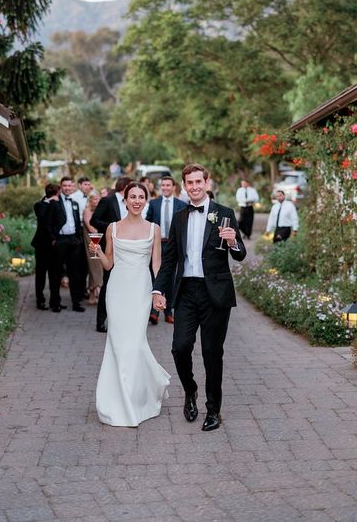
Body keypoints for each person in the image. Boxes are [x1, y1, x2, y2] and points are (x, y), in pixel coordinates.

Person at [152, 163, 246, 432]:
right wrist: (158, 289)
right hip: (187, 292)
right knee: (180, 347)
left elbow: (239, 255)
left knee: (211, 352)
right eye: (189, 183)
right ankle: (190, 390)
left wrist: (232, 242)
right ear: (184, 186)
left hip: (215, 293)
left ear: (207, 183)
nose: (193, 187)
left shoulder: (224, 213)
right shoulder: (180, 218)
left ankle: (213, 409)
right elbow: (169, 261)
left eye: (198, 182)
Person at [89, 182, 170, 427]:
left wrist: (158, 291)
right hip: (117, 291)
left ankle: (139, 395)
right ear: (124, 200)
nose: (136, 200)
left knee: (135, 344)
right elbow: (108, 264)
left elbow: (156, 264)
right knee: (117, 344)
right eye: (132, 196)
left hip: (141, 290)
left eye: (141, 197)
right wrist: (97, 251)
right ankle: (119, 401)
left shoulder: (153, 229)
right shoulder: (112, 228)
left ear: (146, 200)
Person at [90, 176, 133, 332]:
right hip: (110, 249)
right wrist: (114, 227)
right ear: (125, 186)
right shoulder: (107, 201)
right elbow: (95, 221)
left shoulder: (131, 202)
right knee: (108, 285)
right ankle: (101, 321)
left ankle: (121, 320)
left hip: (128, 249)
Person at [146, 176, 187, 325]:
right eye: (163, 185)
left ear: (173, 186)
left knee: (171, 278)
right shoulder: (154, 203)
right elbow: (148, 223)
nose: (165, 188)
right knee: (155, 276)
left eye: (168, 185)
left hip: (173, 245)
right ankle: (154, 312)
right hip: (157, 244)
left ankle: (169, 312)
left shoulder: (181, 205)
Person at [49, 176, 85, 313]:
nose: (67, 188)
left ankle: (76, 303)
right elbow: (49, 222)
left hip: (73, 240)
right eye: (65, 186)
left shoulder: (75, 203)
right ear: (61, 187)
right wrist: (53, 238)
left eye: (70, 185)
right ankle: (55, 303)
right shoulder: (55, 203)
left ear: (73, 187)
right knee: (56, 273)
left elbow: (76, 221)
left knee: (74, 273)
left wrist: (78, 238)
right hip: (60, 240)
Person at [31, 183, 60, 310]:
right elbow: (43, 219)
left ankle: (55, 301)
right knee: (41, 274)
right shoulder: (39, 205)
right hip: (42, 245)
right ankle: (40, 300)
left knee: (54, 274)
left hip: (54, 244)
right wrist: (52, 203)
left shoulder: (59, 204)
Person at [71, 176, 94, 300]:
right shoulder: (75, 197)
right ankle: (78, 291)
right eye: (85, 184)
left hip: (87, 231)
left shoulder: (90, 197)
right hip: (79, 230)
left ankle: (84, 289)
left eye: (89, 184)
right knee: (79, 263)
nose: (88, 186)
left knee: (86, 263)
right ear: (80, 185)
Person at [83, 191, 103, 305]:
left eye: (98, 199)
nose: (97, 201)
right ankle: (98, 290)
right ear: (90, 200)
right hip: (91, 241)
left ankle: (92, 296)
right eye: (95, 199)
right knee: (95, 266)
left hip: (99, 241)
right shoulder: (87, 211)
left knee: (96, 267)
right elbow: (91, 229)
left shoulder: (98, 211)